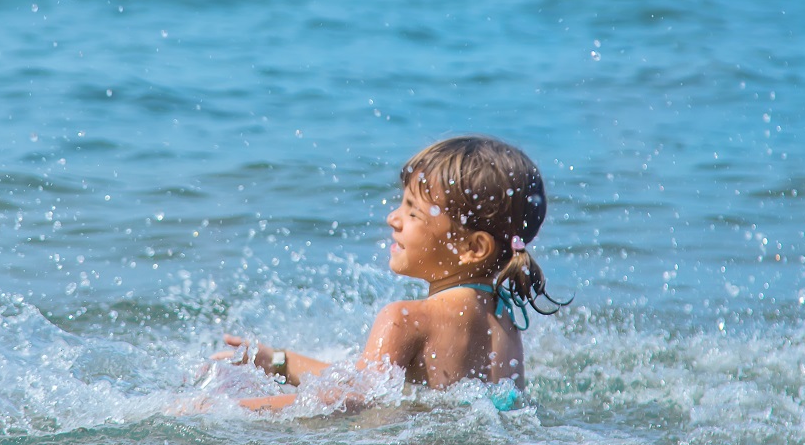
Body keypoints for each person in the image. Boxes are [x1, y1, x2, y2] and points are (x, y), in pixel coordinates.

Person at [214, 135, 569, 412]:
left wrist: (225, 411)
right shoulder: (504, 315)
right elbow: (378, 388)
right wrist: (279, 361)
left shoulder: (406, 318)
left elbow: (352, 400)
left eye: (413, 212)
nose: (393, 218)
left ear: (473, 248)